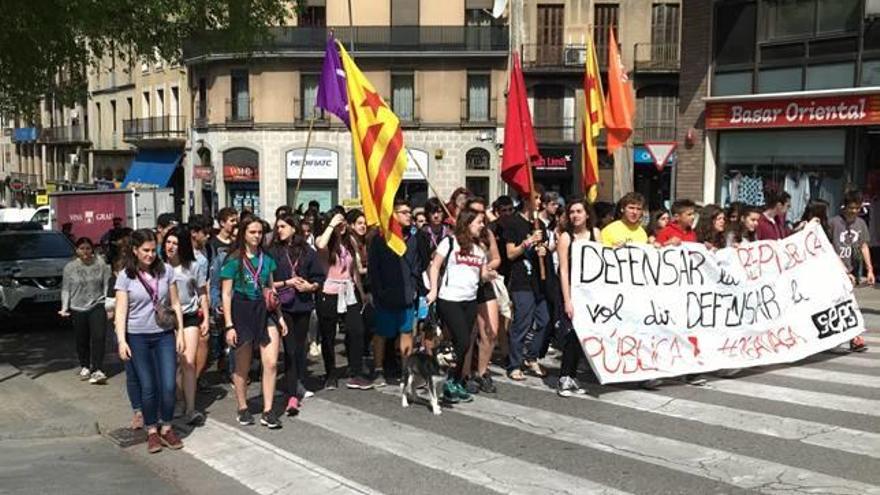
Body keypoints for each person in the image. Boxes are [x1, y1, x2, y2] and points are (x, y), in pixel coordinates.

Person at [114, 229, 185, 453]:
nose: (150, 255)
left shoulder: (167, 271)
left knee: (168, 384)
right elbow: (120, 311)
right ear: (135, 250)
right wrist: (121, 341)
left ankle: (167, 426)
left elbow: (175, 303)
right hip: (137, 336)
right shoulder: (126, 275)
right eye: (145, 250)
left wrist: (180, 332)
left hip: (163, 333)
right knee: (148, 386)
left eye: (154, 250)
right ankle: (152, 430)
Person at [221, 216, 288, 428]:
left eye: (260, 232)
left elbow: (271, 289)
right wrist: (229, 325)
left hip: (264, 310)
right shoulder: (233, 259)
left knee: (270, 362)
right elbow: (226, 294)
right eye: (252, 232)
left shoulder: (266, 259)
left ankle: (268, 411)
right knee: (243, 365)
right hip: (242, 310)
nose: (257, 236)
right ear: (243, 233)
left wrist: (280, 316)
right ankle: (242, 407)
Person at [427, 208, 494, 403]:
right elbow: (435, 266)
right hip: (449, 299)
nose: (482, 226)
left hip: (470, 299)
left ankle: (454, 381)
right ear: (467, 223)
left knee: (463, 345)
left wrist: (489, 275)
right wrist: (433, 290)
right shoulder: (449, 242)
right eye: (479, 222)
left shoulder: (479, 249)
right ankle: (448, 380)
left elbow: (481, 275)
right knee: (462, 340)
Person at [269, 213, 325, 416]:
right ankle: (292, 394)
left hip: (302, 306)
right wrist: (287, 283)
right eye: (278, 226)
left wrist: (310, 286)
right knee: (290, 350)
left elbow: (319, 277)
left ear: (294, 228)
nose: (279, 230)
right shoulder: (273, 251)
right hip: (281, 307)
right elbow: (266, 281)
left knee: (299, 349)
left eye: (283, 226)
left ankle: (296, 384)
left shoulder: (307, 251)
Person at [368, 199, 424, 386]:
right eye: (405, 212)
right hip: (386, 293)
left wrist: (415, 287)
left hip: (407, 294)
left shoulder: (413, 239)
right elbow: (374, 269)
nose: (409, 216)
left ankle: (406, 370)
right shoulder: (380, 239)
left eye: (410, 212)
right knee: (382, 333)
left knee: (407, 331)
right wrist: (377, 291)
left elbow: (416, 265)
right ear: (393, 215)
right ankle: (378, 369)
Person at [315, 211, 371, 390]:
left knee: (357, 330)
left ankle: (356, 373)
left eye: (343, 223)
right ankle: (330, 373)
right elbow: (322, 244)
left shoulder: (349, 242)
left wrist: (360, 291)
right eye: (339, 223)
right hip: (329, 291)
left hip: (348, 291)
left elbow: (354, 269)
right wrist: (332, 225)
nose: (342, 226)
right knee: (328, 335)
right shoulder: (322, 240)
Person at [161, 226, 210, 426]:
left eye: (176, 243)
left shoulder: (194, 266)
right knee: (172, 364)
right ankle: (178, 400)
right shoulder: (158, 267)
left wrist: (206, 317)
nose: (171, 247)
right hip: (165, 318)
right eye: (168, 242)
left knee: (188, 362)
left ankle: (191, 408)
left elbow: (202, 293)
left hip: (189, 316)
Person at [556, 198, 601, 397]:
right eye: (572, 212)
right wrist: (567, 300)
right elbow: (564, 270)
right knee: (572, 333)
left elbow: (603, 262)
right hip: (573, 292)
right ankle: (564, 376)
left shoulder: (595, 234)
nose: (575, 215)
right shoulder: (566, 238)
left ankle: (573, 376)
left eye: (579, 211)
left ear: (587, 214)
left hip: (591, 293)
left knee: (583, 334)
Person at [502, 191, 549, 381]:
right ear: (525, 199)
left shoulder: (541, 225)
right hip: (521, 281)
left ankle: (531, 356)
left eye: (540, 198)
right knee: (522, 323)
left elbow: (544, 249)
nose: (539, 202)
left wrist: (544, 249)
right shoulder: (513, 223)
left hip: (539, 281)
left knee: (544, 320)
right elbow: (511, 253)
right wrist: (528, 242)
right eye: (535, 198)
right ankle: (514, 364)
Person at [461, 197, 501, 394]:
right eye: (475, 212)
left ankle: (482, 371)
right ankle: (465, 373)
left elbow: (496, 259)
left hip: (484, 285)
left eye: (482, 212)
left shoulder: (487, 234)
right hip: (466, 287)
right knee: (470, 332)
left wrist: (485, 267)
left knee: (491, 331)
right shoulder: (459, 237)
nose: (480, 217)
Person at [59, 237, 112, 384]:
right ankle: (85, 366)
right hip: (77, 307)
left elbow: (107, 285)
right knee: (82, 339)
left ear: (92, 249)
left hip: (97, 304)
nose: (85, 252)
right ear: (76, 250)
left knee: (99, 337)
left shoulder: (101, 264)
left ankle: (98, 369)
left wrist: (109, 305)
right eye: (82, 248)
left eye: (88, 248)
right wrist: (64, 307)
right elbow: (65, 289)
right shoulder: (69, 267)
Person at [831, 191, 875, 353]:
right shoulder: (834, 223)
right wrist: (841, 269)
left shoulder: (861, 224)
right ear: (844, 207)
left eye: (857, 208)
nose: (854, 211)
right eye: (851, 208)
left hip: (851, 269)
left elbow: (863, 246)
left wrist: (870, 269)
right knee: (846, 305)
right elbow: (828, 247)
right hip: (835, 271)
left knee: (846, 305)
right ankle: (853, 337)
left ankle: (851, 337)